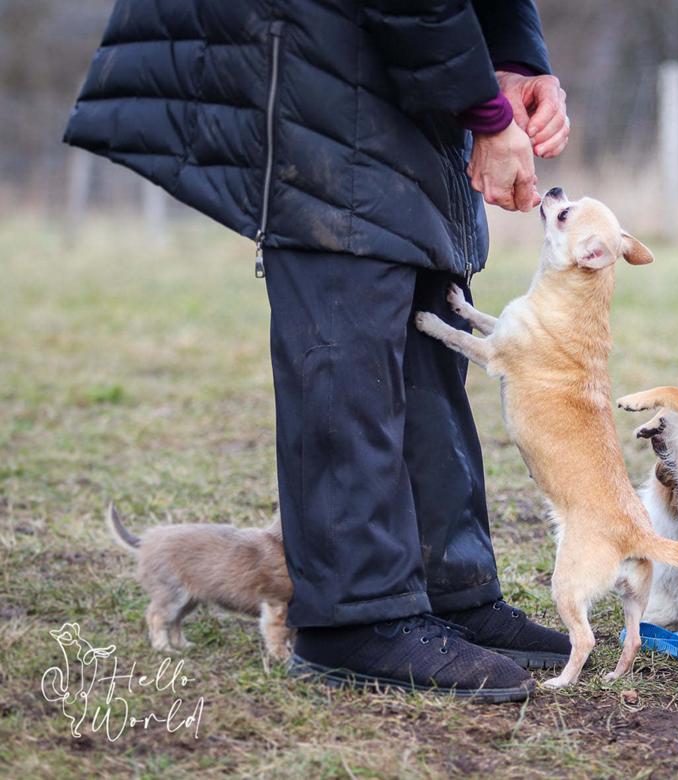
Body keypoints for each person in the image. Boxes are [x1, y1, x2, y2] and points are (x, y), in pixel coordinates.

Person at [64, 0, 572, 702]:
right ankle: (354, 619)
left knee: (421, 315)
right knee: (350, 304)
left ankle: (443, 591)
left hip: (390, 61)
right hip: (314, 51)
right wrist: (483, 111)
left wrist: (517, 58)